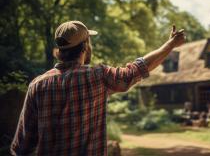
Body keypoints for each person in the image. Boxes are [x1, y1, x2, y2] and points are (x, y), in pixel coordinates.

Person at [10, 20, 185, 155]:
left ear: (59, 50)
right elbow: (137, 69)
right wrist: (170, 44)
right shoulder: (98, 76)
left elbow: (21, 147)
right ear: (85, 46)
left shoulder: (37, 85)